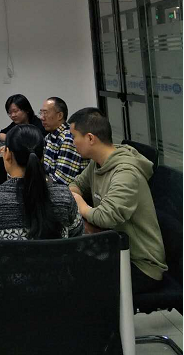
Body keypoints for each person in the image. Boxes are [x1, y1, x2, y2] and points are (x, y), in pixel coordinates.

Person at [68, 107, 167, 294]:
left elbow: (106, 217)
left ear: (90, 138)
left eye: (74, 137)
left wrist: (80, 205)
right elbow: (76, 184)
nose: (72, 143)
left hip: (140, 265)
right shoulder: (97, 163)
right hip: (115, 249)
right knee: (67, 265)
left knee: (75, 282)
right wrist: (77, 197)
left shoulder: (125, 172)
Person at [0, 124, 83, 251]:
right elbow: (76, 235)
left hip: (8, 264)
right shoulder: (64, 196)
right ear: (42, 157)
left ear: (7, 154)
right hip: (58, 264)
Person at [40, 97, 89, 185]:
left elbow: (61, 182)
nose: (42, 117)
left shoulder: (68, 139)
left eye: (45, 113)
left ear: (59, 116)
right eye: (41, 113)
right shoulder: (49, 136)